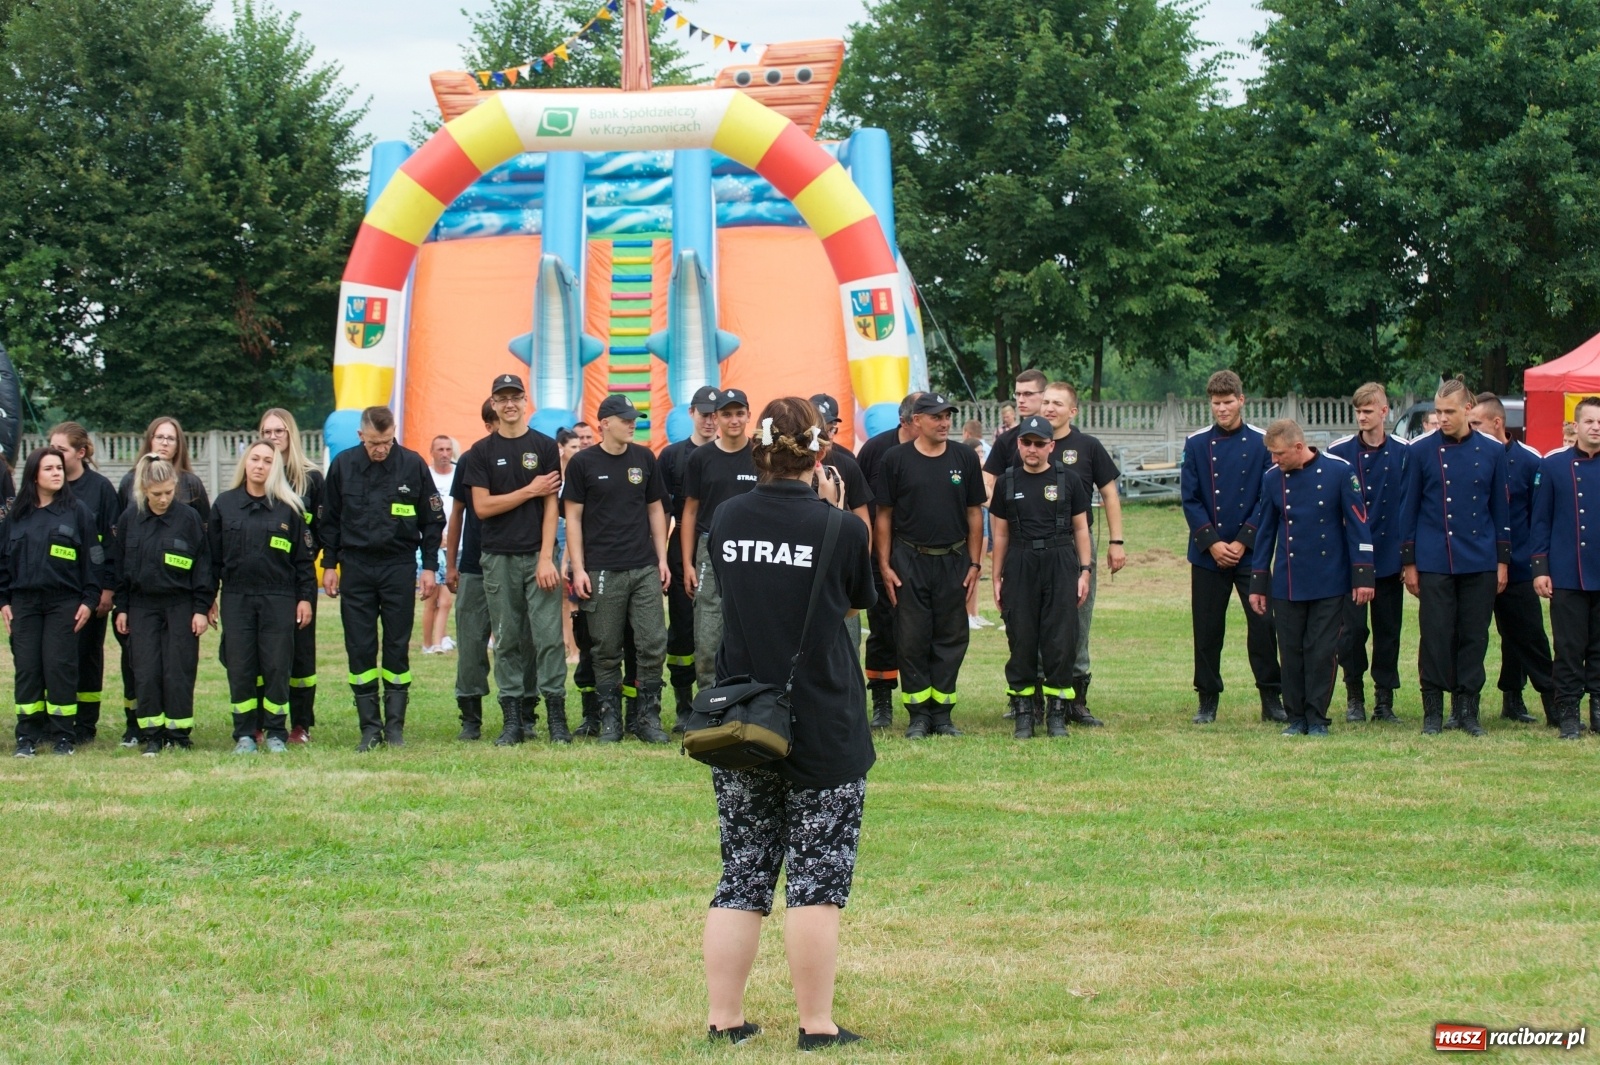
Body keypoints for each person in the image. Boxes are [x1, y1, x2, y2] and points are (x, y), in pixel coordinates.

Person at [701, 397, 875, 1052]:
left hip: (743, 717)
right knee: (816, 877)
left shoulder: (725, 517)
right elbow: (858, 599)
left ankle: (725, 1016)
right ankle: (816, 1024)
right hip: (822, 718)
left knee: (743, 870)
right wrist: (830, 507)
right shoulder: (842, 529)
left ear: (759, 451)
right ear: (820, 453)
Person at [322, 406, 445, 751]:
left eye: (387, 442)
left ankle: (394, 727)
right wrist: (329, 564)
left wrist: (429, 567)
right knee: (360, 648)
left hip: (398, 565)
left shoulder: (412, 464)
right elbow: (329, 521)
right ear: (361, 437)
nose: (381, 450)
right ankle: (369, 727)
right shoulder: (343, 466)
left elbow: (432, 521)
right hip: (356, 566)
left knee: (396, 646)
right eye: (375, 443)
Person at [1247, 421, 1375, 736]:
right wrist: (1258, 582)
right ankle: (1296, 716)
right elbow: (1265, 534)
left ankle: (1317, 717)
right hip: (1289, 580)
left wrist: (1363, 575)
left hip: (1330, 579)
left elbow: (1359, 526)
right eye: (1271, 455)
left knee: (1321, 651)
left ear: (1298, 447)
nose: (1275, 460)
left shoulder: (1339, 472)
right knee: (1290, 651)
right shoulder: (1272, 480)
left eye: (1279, 454)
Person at [457, 375, 566, 746]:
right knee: (505, 639)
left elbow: (552, 506)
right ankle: (512, 720)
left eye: (515, 397)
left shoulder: (545, 446)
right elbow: (483, 507)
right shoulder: (480, 451)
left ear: (525, 400)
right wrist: (528, 490)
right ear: (493, 403)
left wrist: (547, 557)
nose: (510, 404)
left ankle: (556, 718)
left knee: (548, 637)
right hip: (497, 556)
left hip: (538, 556)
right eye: (502, 399)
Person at [1398, 379, 1510, 736]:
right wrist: (1409, 562)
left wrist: (1502, 561)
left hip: (1478, 557)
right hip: (1434, 558)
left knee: (1474, 635)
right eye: (1438, 412)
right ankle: (1433, 710)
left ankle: (1467, 710)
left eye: (1449, 411)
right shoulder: (1419, 451)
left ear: (1467, 409)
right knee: (1435, 634)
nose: (1442, 418)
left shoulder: (1492, 452)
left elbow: (1500, 510)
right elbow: (1408, 507)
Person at [874, 392, 986, 738]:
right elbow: (884, 516)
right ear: (916, 420)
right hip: (909, 560)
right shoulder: (895, 459)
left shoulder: (964, 457)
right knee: (912, 639)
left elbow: (973, 514)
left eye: (948, 416)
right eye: (936, 417)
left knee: (952, 637)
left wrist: (974, 563)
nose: (944, 423)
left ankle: (943, 713)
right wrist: (885, 565)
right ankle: (918, 715)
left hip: (953, 561)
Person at [563, 394, 670, 743]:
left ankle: (647, 719)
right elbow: (574, 519)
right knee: (605, 646)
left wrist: (662, 559)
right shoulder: (583, 463)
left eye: (634, 419)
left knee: (653, 642)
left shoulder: (644, 458)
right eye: (625, 419)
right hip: (602, 569)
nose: (631, 424)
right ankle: (610, 721)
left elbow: (656, 510)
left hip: (643, 567)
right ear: (603, 424)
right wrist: (578, 569)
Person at [1180, 371, 1284, 725]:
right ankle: (1207, 699)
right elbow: (1190, 499)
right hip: (1208, 553)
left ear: (1242, 400)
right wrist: (1212, 543)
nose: (1221, 409)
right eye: (1216, 403)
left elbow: (1267, 497)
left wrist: (1242, 541)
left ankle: (1271, 697)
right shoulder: (1195, 444)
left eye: (1228, 402)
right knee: (1207, 629)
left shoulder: (1261, 442)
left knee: (1263, 624)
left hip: (1250, 552)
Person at [110, 416, 211, 747]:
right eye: (157, 494)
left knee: (178, 670)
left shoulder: (190, 519)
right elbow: (120, 567)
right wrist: (121, 608)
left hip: (180, 604)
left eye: (169, 492)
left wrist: (200, 607)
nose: (164, 499)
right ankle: (151, 734)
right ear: (143, 490)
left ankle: (178, 734)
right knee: (147, 670)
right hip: (141, 605)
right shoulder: (130, 519)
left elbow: (202, 566)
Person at [989, 416, 1092, 739]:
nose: (1032, 449)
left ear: (1051, 446)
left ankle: (1057, 711)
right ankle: (1024, 710)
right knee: (1021, 635)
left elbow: (1080, 529)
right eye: (1026, 442)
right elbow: (1001, 535)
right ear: (1018, 444)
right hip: (1020, 560)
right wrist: (996, 577)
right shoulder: (1007, 482)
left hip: (1060, 559)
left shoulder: (1069, 480)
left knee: (1060, 637)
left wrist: (1084, 571)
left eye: (1039, 443)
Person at [211, 441, 316, 754]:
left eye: (267, 461)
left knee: (276, 665)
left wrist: (305, 598)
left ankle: (275, 732)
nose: (259, 465)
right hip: (236, 595)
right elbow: (211, 560)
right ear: (245, 463)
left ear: (276, 468)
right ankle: (244, 734)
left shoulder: (290, 508)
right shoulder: (224, 505)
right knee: (240, 665)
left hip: (279, 596)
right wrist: (207, 598)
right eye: (254, 459)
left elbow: (303, 561)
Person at [445, 401, 537, 740]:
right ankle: (470, 715)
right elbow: (457, 514)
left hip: (516, 560)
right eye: (490, 421)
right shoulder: (472, 458)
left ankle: (525, 711)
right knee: (471, 641)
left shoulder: (531, 453)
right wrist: (451, 564)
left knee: (521, 639)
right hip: (474, 566)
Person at [1038, 381, 1128, 726]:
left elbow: (1109, 494)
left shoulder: (1087, 446)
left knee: (1078, 618)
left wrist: (1116, 542)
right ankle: (1033, 699)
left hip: (1076, 544)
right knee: (1035, 622)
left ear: (1072, 411)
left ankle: (1076, 700)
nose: (1049, 408)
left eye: (1057, 403)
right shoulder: (1025, 442)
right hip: (1032, 544)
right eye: (1045, 401)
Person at [1, 447, 100, 757]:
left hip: (64, 602)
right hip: (25, 603)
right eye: (49, 469)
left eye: (59, 467)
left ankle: (62, 737)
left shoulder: (78, 511)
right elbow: (2, 562)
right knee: (28, 669)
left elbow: (93, 559)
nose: (57, 473)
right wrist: (4, 600)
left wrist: (90, 598)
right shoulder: (15, 515)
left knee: (60, 668)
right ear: (34, 475)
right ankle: (26, 737)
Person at [1470, 393, 1555, 726]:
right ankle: (1466, 705)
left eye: (1476, 422)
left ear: (1497, 423)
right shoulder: (1469, 456)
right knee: (1472, 636)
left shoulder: (1531, 461)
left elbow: (1539, 516)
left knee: (1527, 635)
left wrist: (1537, 563)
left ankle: (1533, 699)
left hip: (1518, 566)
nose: (1470, 428)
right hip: (1476, 563)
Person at [1328, 383, 1409, 722]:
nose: (1362, 417)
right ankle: (1354, 694)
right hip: (1351, 560)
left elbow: (1410, 505)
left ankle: (1384, 700)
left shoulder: (1405, 452)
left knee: (1388, 630)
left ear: (1384, 411)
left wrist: (1409, 557)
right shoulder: (1339, 451)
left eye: (1368, 410)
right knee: (1352, 631)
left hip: (1390, 555)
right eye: (1358, 411)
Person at [47, 422, 120, 744]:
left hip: (90, 590)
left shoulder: (100, 488)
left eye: (61, 450)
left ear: (81, 452)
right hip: (55, 588)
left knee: (87, 656)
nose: (55, 456)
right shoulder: (47, 485)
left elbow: (111, 543)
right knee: (53, 656)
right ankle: (53, 722)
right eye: (51, 448)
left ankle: (85, 725)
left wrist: (106, 588)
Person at [681, 388, 757, 697]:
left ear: (749, 415)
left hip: (754, 551)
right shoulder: (701, 457)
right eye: (727, 414)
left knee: (752, 626)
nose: (734, 420)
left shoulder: (761, 456)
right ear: (717, 418)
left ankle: (752, 699)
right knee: (709, 630)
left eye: (740, 413)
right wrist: (687, 563)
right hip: (710, 548)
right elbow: (690, 511)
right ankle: (709, 701)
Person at [1531, 396, 1600, 739]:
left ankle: (1599, 710)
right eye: (1590, 421)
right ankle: (1569, 711)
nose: (1596, 428)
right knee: (1569, 645)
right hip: (1567, 570)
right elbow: (1540, 521)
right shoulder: (1553, 465)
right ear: (1575, 426)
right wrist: (1540, 567)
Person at [854, 391, 921, 728]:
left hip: (925, 554)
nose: (937, 423)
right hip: (882, 553)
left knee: (922, 629)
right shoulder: (875, 451)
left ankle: (922, 704)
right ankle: (882, 699)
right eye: (927, 415)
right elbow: (861, 503)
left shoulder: (944, 452)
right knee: (882, 627)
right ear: (907, 420)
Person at [260, 407, 323, 744]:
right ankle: (262, 721)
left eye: (279, 432)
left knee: (301, 652)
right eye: (267, 432)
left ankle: (301, 723)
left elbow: (324, 528)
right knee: (263, 651)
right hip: (263, 578)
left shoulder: (311, 478)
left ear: (290, 435)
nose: (273, 438)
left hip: (299, 577)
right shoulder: (256, 475)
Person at [658, 387, 718, 728]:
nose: (710, 421)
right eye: (704, 413)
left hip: (722, 546)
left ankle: (715, 700)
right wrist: (665, 560)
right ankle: (683, 704)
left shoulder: (737, 453)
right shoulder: (671, 457)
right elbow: (662, 512)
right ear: (692, 413)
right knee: (682, 630)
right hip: (682, 546)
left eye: (715, 414)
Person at [982, 369, 1048, 500]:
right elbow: (991, 485)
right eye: (1017, 394)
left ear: (1045, 395)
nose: (1021, 400)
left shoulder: (1066, 436)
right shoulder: (1005, 440)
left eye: (1028, 394)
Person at [421, 435, 458, 654]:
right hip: (432, 545)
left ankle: (439, 638)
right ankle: (430, 643)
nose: (445, 454)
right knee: (434, 597)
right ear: (432, 452)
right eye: (440, 450)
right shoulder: (426, 475)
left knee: (446, 599)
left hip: (455, 544)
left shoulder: (458, 474)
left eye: (448, 449)